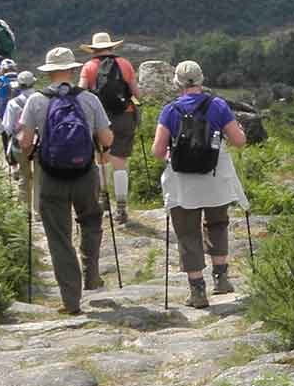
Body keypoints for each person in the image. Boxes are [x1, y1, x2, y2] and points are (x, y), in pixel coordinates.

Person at [17, 48, 111, 315]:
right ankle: (91, 273)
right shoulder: (89, 99)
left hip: (50, 176)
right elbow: (106, 140)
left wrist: (33, 149)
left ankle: (71, 301)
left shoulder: (36, 100)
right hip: (85, 174)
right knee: (92, 221)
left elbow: (24, 142)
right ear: (71, 70)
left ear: (48, 72)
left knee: (59, 238)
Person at [151, 61, 249, 309]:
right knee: (217, 223)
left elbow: (158, 150)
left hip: (183, 182)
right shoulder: (218, 105)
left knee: (187, 233)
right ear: (201, 79)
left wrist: (170, 158)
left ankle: (197, 292)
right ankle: (222, 279)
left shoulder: (170, 110)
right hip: (214, 177)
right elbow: (238, 141)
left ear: (177, 83)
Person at [79, 31, 139, 225]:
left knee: (102, 159)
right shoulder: (125, 64)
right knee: (120, 160)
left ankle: (104, 203)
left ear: (94, 50)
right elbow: (137, 92)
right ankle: (121, 207)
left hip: (99, 117)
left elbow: (81, 93)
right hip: (124, 114)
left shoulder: (88, 67)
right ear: (112, 47)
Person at [0, 58, 22, 157]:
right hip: (21, 116)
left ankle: (12, 165)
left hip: (4, 117)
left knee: (6, 139)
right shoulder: (22, 80)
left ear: (2, 70)